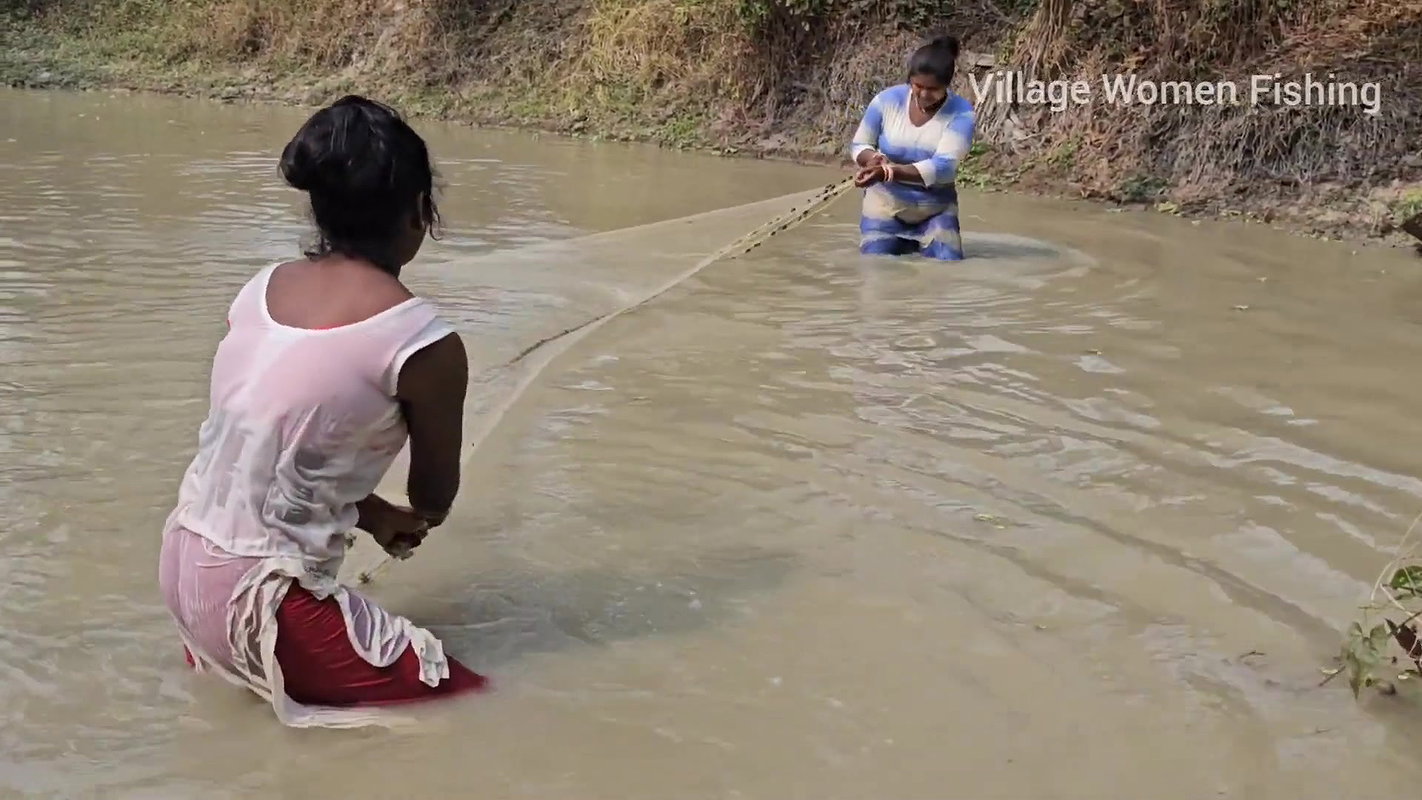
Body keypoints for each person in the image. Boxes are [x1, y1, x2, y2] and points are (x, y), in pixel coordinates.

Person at [158, 95, 488, 728]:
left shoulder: (261, 288)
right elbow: (435, 492)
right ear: (422, 211)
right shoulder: (423, 341)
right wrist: (423, 512)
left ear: (320, 211)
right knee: (471, 705)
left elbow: (265, 453)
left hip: (183, 567)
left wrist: (370, 515)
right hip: (262, 602)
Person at [850, 34, 976, 260]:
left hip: (935, 209)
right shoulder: (887, 100)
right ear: (910, 79)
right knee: (876, 266)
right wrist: (871, 159)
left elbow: (944, 168)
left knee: (948, 265)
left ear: (947, 85)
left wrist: (888, 172)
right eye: (918, 86)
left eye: (933, 88)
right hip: (885, 205)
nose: (924, 94)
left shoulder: (961, 113)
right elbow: (860, 144)